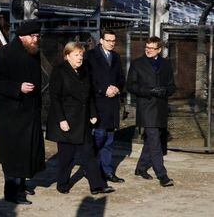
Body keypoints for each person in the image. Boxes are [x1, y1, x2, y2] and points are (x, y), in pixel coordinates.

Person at [46, 42, 115, 195]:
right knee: (66, 157)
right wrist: (61, 120)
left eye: (81, 55)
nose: (80, 58)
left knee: (89, 154)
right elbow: (55, 98)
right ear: (67, 56)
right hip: (67, 121)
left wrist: (93, 114)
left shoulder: (84, 71)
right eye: (76, 55)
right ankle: (62, 184)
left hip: (83, 121)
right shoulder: (59, 71)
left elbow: (88, 95)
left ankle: (97, 185)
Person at [0, 20, 45, 205]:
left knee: (26, 153)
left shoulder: (33, 53)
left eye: (37, 36)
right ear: (22, 36)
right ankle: (12, 193)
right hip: (10, 115)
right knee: (13, 155)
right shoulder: (5, 53)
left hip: (29, 113)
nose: (35, 39)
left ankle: (21, 185)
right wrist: (17, 87)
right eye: (33, 36)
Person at [127, 36, 176, 187]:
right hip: (146, 107)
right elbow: (131, 86)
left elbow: (172, 86)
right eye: (147, 47)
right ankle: (162, 175)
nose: (148, 50)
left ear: (159, 50)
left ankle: (141, 167)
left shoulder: (166, 64)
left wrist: (165, 90)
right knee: (155, 140)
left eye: (152, 48)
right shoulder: (137, 64)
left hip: (161, 107)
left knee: (152, 139)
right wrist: (149, 90)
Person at [86, 30, 125, 183]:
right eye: (108, 40)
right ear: (101, 40)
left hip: (112, 104)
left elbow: (121, 78)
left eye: (113, 40)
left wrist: (117, 88)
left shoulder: (116, 57)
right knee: (99, 137)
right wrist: (103, 90)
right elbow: (88, 80)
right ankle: (92, 168)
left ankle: (107, 172)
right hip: (98, 104)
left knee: (109, 140)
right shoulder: (90, 56)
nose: (111, 43)